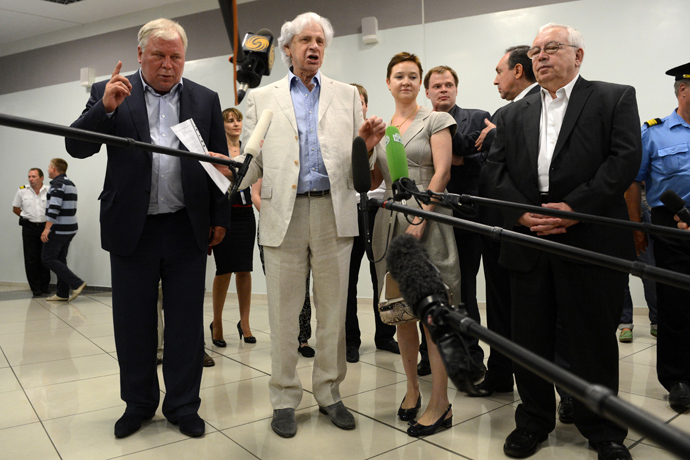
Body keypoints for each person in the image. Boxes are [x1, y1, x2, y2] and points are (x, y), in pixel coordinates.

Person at [214, 12, 385, 438]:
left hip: (333, 211)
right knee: (284, 314)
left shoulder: (346, 95)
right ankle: (284, 398)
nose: (313, 47)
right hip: (281, 214)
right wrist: (230, 171)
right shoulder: (261, 97)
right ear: (287, 49)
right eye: (305, 40)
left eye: (320, 41)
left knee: (332, 312)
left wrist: (367, 145)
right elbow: (252, 163)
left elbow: (354, 163)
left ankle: (329, 393)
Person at [65, 18, 230, 439]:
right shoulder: (113, 90)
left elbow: (219, 164)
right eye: (158, 55)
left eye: (176, 56)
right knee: (133, 325)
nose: (168, 65)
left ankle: (182, 405)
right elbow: (76, 147)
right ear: (140, 54)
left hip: (185, 227)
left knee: (185, 325)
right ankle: (138, 404)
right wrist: (104, 107)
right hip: (131, 229)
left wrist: (219, 218)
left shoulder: (204, 98)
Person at [484, 23, 641, 459]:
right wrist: (520, 212)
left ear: (579, 56)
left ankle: (603, 430)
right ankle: (533, 420)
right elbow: (494, 172)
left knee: (591, 339)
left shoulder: (613, 97)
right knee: (528, 338)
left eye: (552, 48)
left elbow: (624, 159)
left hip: (588, 235)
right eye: (535, 50)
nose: (541, 56)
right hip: (529, 238)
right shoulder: (512, 112)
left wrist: (574, 209)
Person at [371, 52, 458, 438]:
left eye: (412, 76)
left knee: (431, 312)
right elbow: (370, 177)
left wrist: (423, 217)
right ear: (387, 83)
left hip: (428, 216)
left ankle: (441, 402)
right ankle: (412, 389)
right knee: (399, 311)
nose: (405, 82)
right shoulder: (382, 127)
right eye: (398, 76)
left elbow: (442, 171)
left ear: (419, 83)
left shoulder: (435, 119)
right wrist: (363, 144)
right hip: (389, 218)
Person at [475, 46, 538, 396]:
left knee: (532, 313)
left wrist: (498, 135)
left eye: (499, 71)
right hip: (499, 227)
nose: (495, 78)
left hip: (524, 227)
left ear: (517, 70)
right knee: (500, 307)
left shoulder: (520, 113)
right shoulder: (503, 113)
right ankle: (500, 372)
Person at [629, 61, 690, 413]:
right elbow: (633, 182)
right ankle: (678, 379)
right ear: (683, 90)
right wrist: (637, 227)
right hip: (670, 224)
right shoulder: (654, 131)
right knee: (675, 304)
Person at [420, 65, 487, 377]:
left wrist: (450, 158)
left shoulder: (477, 117)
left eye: (448, 84)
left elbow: (485, 160)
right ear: (427, 92)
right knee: (427, 289)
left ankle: (471, 357)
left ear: (456, 89)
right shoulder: (418, 121)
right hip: (429, 216)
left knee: (465, 291)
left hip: (466, 219)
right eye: (437, 86)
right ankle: (428, 354)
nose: (443, 89)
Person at [344, 82, 398, 364]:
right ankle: (350, 340)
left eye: (360, 101)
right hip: (346, 212)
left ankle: (385, 335)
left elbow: (378, 178)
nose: (357, 105)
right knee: (347, 279)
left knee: (383, 277)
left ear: (366, 104)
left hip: (378, 209)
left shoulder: (382, 132)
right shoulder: (336, 135)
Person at [252, 178, 316, 357]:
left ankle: (303, 339)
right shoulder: (267, 157)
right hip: (272, 227)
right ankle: (283, 339)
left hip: (299, 223)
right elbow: (255, 195)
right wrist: (274, 218)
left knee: (302, 285)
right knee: (279, 288)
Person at [210, 108, 256, 346]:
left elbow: (256, 182)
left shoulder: (250, 149)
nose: (236, 124)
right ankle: (216, 322)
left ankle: (244, 322)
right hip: (224, 214)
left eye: (238, 119)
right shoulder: (219, 151)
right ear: (222, 125)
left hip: (246, 215)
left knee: (244, 269)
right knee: (224, 269)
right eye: (230, 120)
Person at [41, 158, 87, 302]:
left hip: (59, 229)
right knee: (60, 259)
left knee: (47, 258)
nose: (48, 169)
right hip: (70, 228)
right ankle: (62, 293)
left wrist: (47, 228)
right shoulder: (70, 183)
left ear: (54, 169)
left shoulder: (57, 184)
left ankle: (77, 283)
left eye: (49, 167)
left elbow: (54, 207)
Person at [619, 183, 657, 342]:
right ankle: (625, 323)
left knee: (651, 275)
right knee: (620, 277)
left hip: (643, 216)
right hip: (615, 215)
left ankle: (656, 322)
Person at [12, 167, 50, 296]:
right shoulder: (22, 191)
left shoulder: (48, 191)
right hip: (29, 228)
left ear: (41, 178)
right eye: (29, 176)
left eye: (33, 176)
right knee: (31, 258)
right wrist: (26, 216)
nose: (30, 179)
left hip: (45, 227)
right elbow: (15, 208)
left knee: (45, 257)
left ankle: (45, 286)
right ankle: (35, 288)